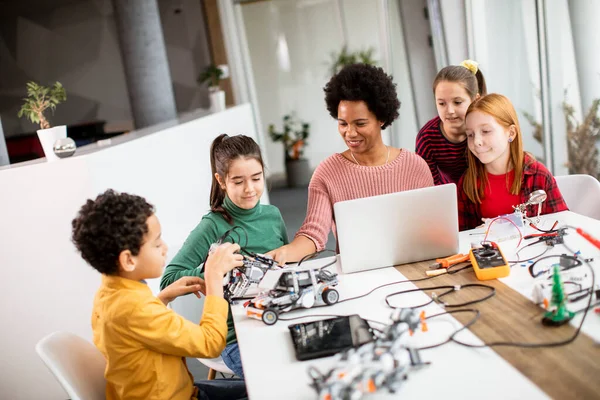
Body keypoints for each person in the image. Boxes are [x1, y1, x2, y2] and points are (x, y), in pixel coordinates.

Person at [71, 189, 248, 400]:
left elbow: (136, 325)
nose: (165, 248)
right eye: (156, 244)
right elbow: (211, 343)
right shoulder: (135, 308)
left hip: (176, 389)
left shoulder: (109, 293)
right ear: (128, 260)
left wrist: (163, 297)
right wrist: (214, 276)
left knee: (258, 383)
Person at [267, 63, 434, 264]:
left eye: (360, 124)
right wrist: (287, 252)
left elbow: (429, 228)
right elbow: (314, 232)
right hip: (358, 272)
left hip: (413, 265)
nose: (350, 133)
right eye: (343, 123)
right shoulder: (327, 172)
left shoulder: (414, 166)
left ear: (381, 118)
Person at [160, 134, 288, 378]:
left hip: (277, 318)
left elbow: (287, 265)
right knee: (273, 378)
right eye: (238, 181)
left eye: (257, 178)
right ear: (221, 181)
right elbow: (169, 279)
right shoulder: (212, 226)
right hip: (236, 336)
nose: (250, 189)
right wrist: (214, 272)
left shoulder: (273, 215)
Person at [457, 93, 568, 231]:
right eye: (470, 135)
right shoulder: (468, 183)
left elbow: (563, 225)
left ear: (511, 133)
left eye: (485, 131)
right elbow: (462, 238)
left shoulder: (538, 175)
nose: (477, 142)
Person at [416, 60, 487, 185]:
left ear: (475, 100)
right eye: (442, 103)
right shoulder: (427, 137)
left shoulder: (488, 128)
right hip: (450, 197)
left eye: (457, 102)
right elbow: (428, 185)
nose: (450, 111)